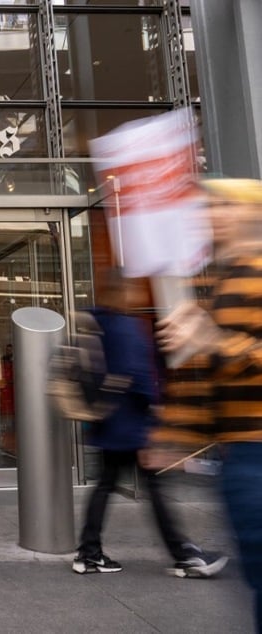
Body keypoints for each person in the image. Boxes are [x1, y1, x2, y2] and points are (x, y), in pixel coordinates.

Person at [155, 178, 262, 627]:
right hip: (239, 454)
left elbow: (229, 351)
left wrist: (213, 338)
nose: (208, 215)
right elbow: (207, 372)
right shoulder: (219, 277)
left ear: (248, 213)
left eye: (219, 206)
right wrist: (172, 434)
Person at [73, 271, 227, 578]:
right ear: (126, 293)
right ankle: (183, 555)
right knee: (154, 488)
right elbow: (140, 378)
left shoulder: (99, 324)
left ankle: (88, 553)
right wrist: (156, 422)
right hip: (133, 425)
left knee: (106, 486)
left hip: (109, 423)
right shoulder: (128, 327)